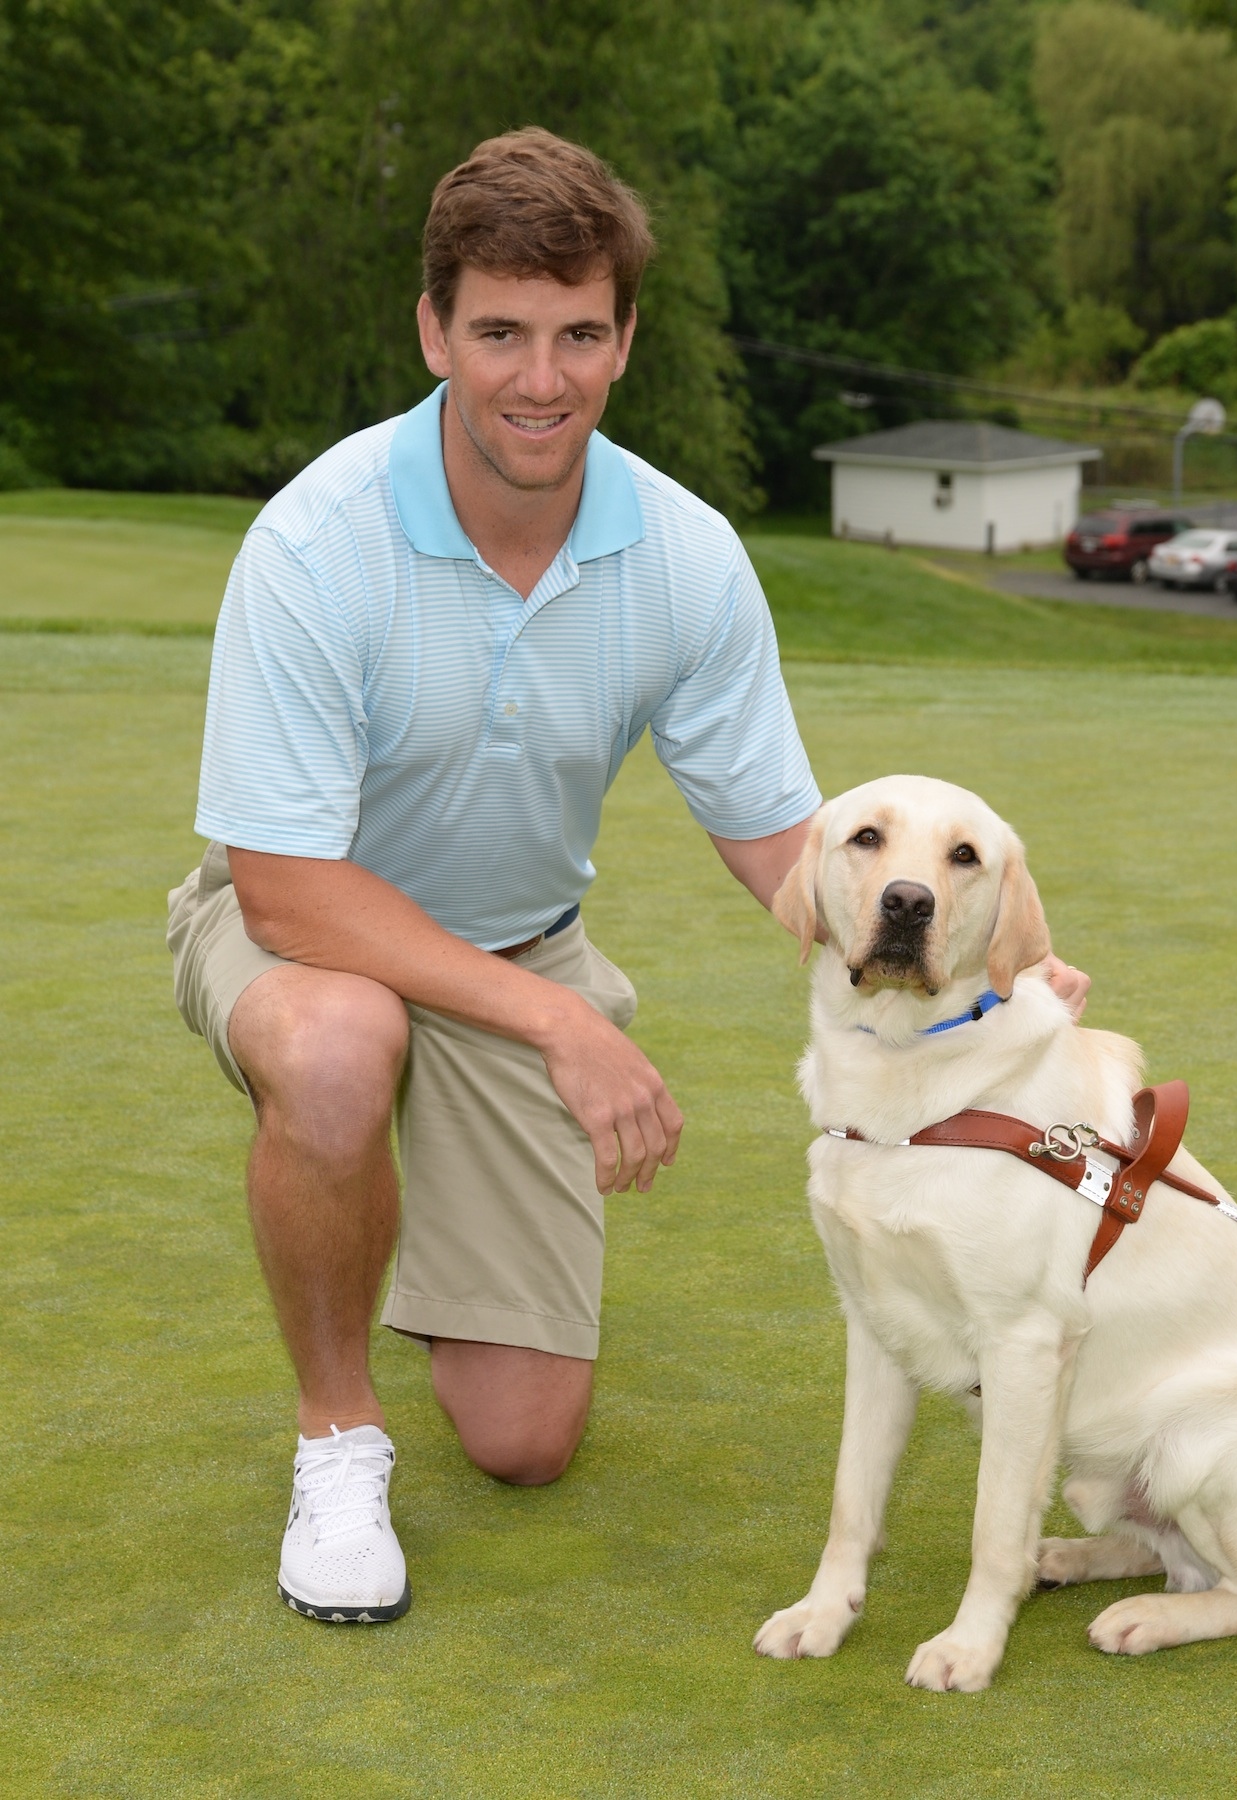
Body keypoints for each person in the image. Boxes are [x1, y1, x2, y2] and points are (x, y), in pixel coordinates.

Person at [168, 127, 1089, 1626]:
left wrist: (996, 975)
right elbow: (284, 888)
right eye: (501, 333)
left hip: (518, 945)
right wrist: (564, 1027)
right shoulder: (315, 542)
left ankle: (372, 1222)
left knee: (527, 1443)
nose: (542, 378)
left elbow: (783, 843)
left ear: (625, 338)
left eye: (579, 334)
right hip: (303, 936)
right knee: (343, 1048)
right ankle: (336, 1432)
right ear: (432, 331)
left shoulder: (686, 552)